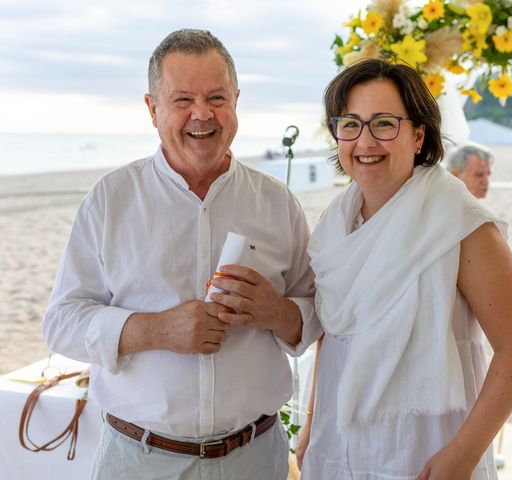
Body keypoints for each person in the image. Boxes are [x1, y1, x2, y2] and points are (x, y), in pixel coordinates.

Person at [41, 29, 321, 480]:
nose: (202, 114)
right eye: (182, 99)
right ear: (153, 109)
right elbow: (61, 322)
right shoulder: (110, 199)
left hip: (257, 458)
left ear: (236, 102)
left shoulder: (277, 203)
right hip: (137, 459)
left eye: (216, 97)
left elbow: (315, 318)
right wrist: (154, 330)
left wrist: (277, 312)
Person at [296, 59, 512, 480]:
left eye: (384, 123)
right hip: (338, 446)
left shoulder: (461, 223)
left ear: (418, 134)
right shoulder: (333, 225)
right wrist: (312, 422)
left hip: (426, 449)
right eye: (350, 124)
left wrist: (462, 455)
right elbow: (333, 335)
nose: (365, 141)